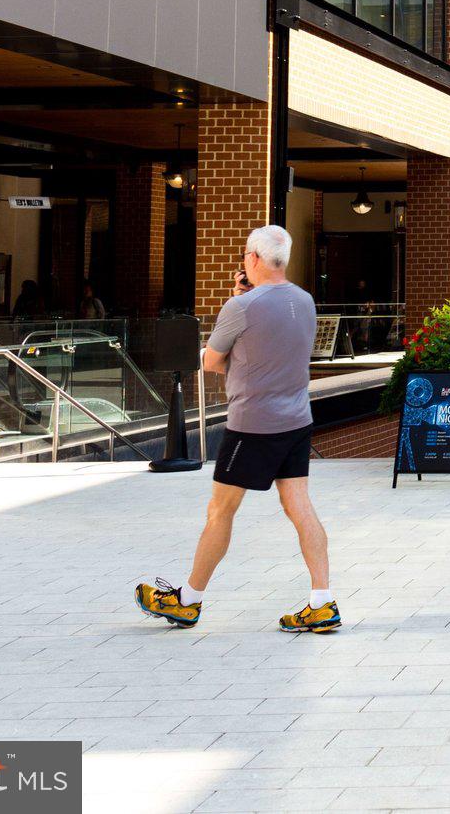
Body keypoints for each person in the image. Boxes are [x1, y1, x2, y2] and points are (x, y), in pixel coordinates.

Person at [134, 225, 337, 634]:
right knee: (299, 506)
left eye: (246, 254)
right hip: (297, 420)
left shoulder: (240, 307)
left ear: (254, 259)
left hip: (253, 426)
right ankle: (322, 601)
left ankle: (188, 601)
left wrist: (237, 308)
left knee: (220, 510)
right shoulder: (306, 300)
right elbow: (283, 351)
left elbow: (210, 361)